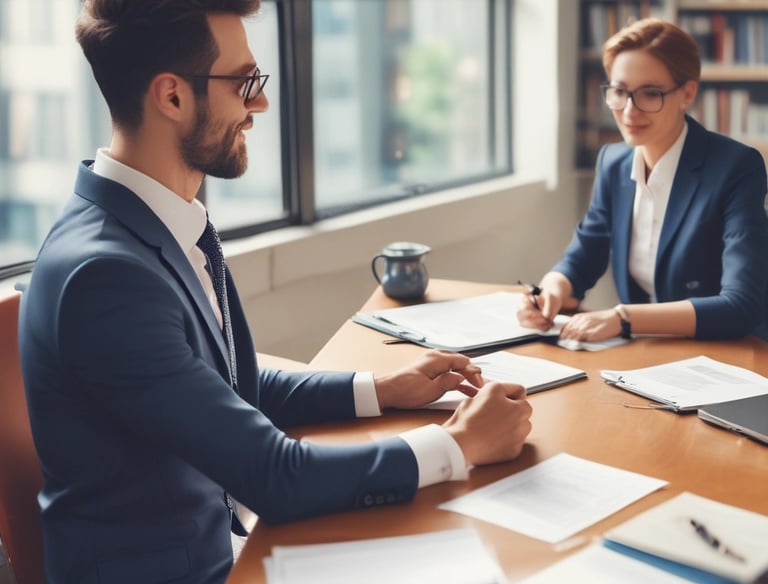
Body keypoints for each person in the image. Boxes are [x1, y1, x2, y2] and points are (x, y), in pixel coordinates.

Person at [17, 1, 533, 582]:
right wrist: (459, 444)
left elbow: (226, 384)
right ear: (172, 96)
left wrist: (382, 388)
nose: (259, 103)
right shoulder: (105, 276)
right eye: (244, 83)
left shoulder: (149, 225)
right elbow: (274, 476)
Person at [518, 17, 768, 342]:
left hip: (732, 350)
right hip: (649, 348)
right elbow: (584, 256)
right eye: (619, 91)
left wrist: (624, 318)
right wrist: (551, 289)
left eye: (650, 94)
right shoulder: (613, 162)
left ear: (687, 93)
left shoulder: (736, 166)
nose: (629, 111)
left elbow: (741, 305)